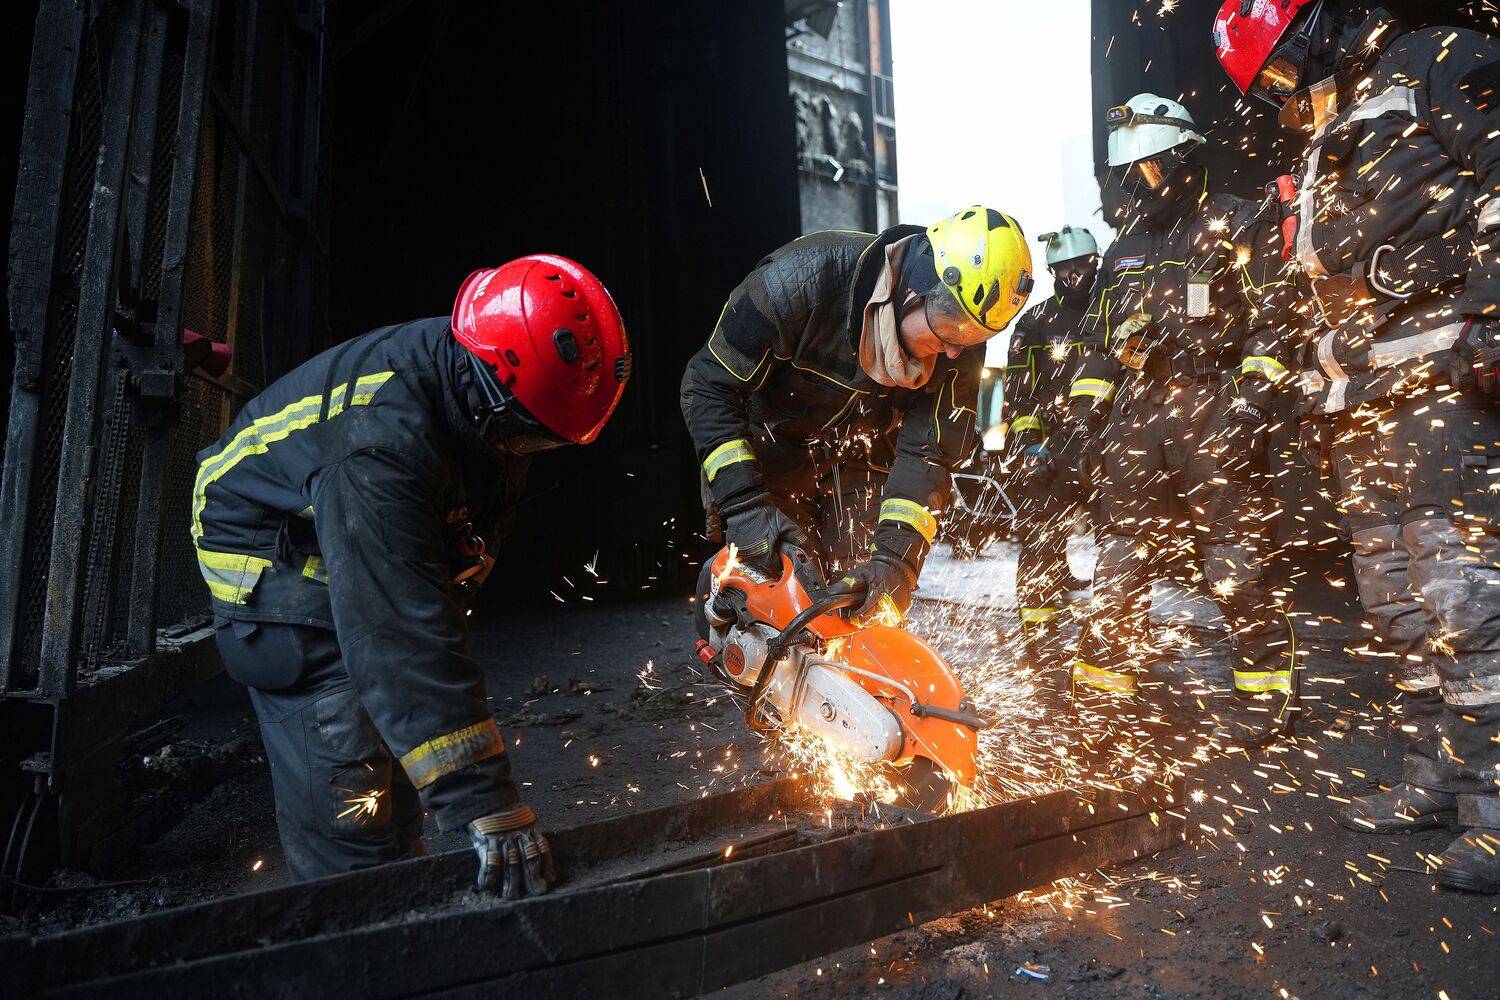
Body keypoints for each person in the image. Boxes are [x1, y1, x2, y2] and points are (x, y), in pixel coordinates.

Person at [191, 255, 630, 896]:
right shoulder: (380, 446)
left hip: (341, 527)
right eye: (531, 439)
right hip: (270, 566)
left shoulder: (478, 386)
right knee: (349, 778)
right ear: (490, 382)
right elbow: (397, 629)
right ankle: (352, 911)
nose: (533, 453)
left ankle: (397, 876)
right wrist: (486, 802)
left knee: (400, 768)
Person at [1215, 0, 1500, 893]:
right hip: (1361, 404)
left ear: (1316, 22)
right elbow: (1314, 283)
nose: (1286, 93)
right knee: (1395, 606)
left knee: (1466, 600)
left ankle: (1495, 816)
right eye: (1270, 87)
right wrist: (1301, 384)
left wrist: (1494, 313)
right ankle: (1435, 785)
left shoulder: (1436, 58)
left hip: (1446, 383)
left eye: (1284, 70)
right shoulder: (1323, 133)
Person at [1065, 93, 1300, 746]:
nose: (1145, 181)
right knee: (1120, 562)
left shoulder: (1234, 221)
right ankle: (1107, 702)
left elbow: (1273, 322)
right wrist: (1086, 422)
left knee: (1233, 562)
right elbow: (1096, 348)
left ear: (1185, 158)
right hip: (1138, 417)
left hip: (1211, 406)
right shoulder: (1121, 250)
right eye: (1134, 170)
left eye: (1155, 166)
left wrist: (1251, 402)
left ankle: (1265, 695)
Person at [680, 207, 1034, 620]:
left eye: (975, 337)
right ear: (917, 286)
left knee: (857, 610)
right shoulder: (800, 281)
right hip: (769, 456)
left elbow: (928, 454)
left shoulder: (960, 345)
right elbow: (706, 386)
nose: (956, 350)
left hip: (863, 463)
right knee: (774, 603)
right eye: (952, 329)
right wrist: (743, 505)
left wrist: (895, 563)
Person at [1001, 226, 1105, 681]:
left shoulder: (1112, 312)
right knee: (1040, 540)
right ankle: (1039, 640)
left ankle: (1110, 636)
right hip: (1053, 447)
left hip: (1108, 443)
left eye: (1080, 266)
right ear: (1051, 272)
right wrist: (1031, 445)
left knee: (1120, 540)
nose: (1073, 276)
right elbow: (1018, 394)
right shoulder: (1035, 323)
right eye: (1063, 269)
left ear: (1096, 263)